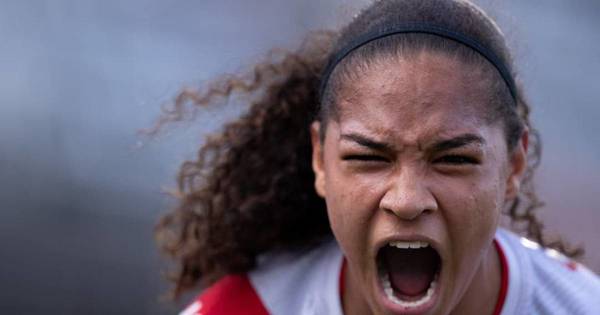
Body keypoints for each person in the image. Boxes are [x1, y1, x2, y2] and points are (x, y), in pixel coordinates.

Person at [155, 0, 600, 314]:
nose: (406, 201)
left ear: (513, 168)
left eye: (454, 160)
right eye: (369, 158)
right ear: (320, 161)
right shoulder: (246, 310)